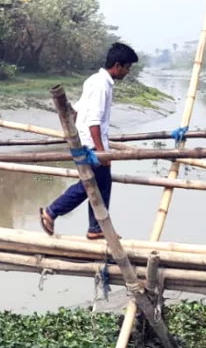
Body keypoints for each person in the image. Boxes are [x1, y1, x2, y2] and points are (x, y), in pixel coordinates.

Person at [40, 43, 139, 240]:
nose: (128, 72)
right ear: (117, 66)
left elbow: (77, 111)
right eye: (127, 67)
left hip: (86, 142)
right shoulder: (101, 86)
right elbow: (94, 121)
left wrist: (76, 135)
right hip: (92, 145)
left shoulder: (95, 80)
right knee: (88, 185)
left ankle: (96, 227)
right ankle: (51, 212)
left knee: (102, 184)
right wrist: (101, 153)